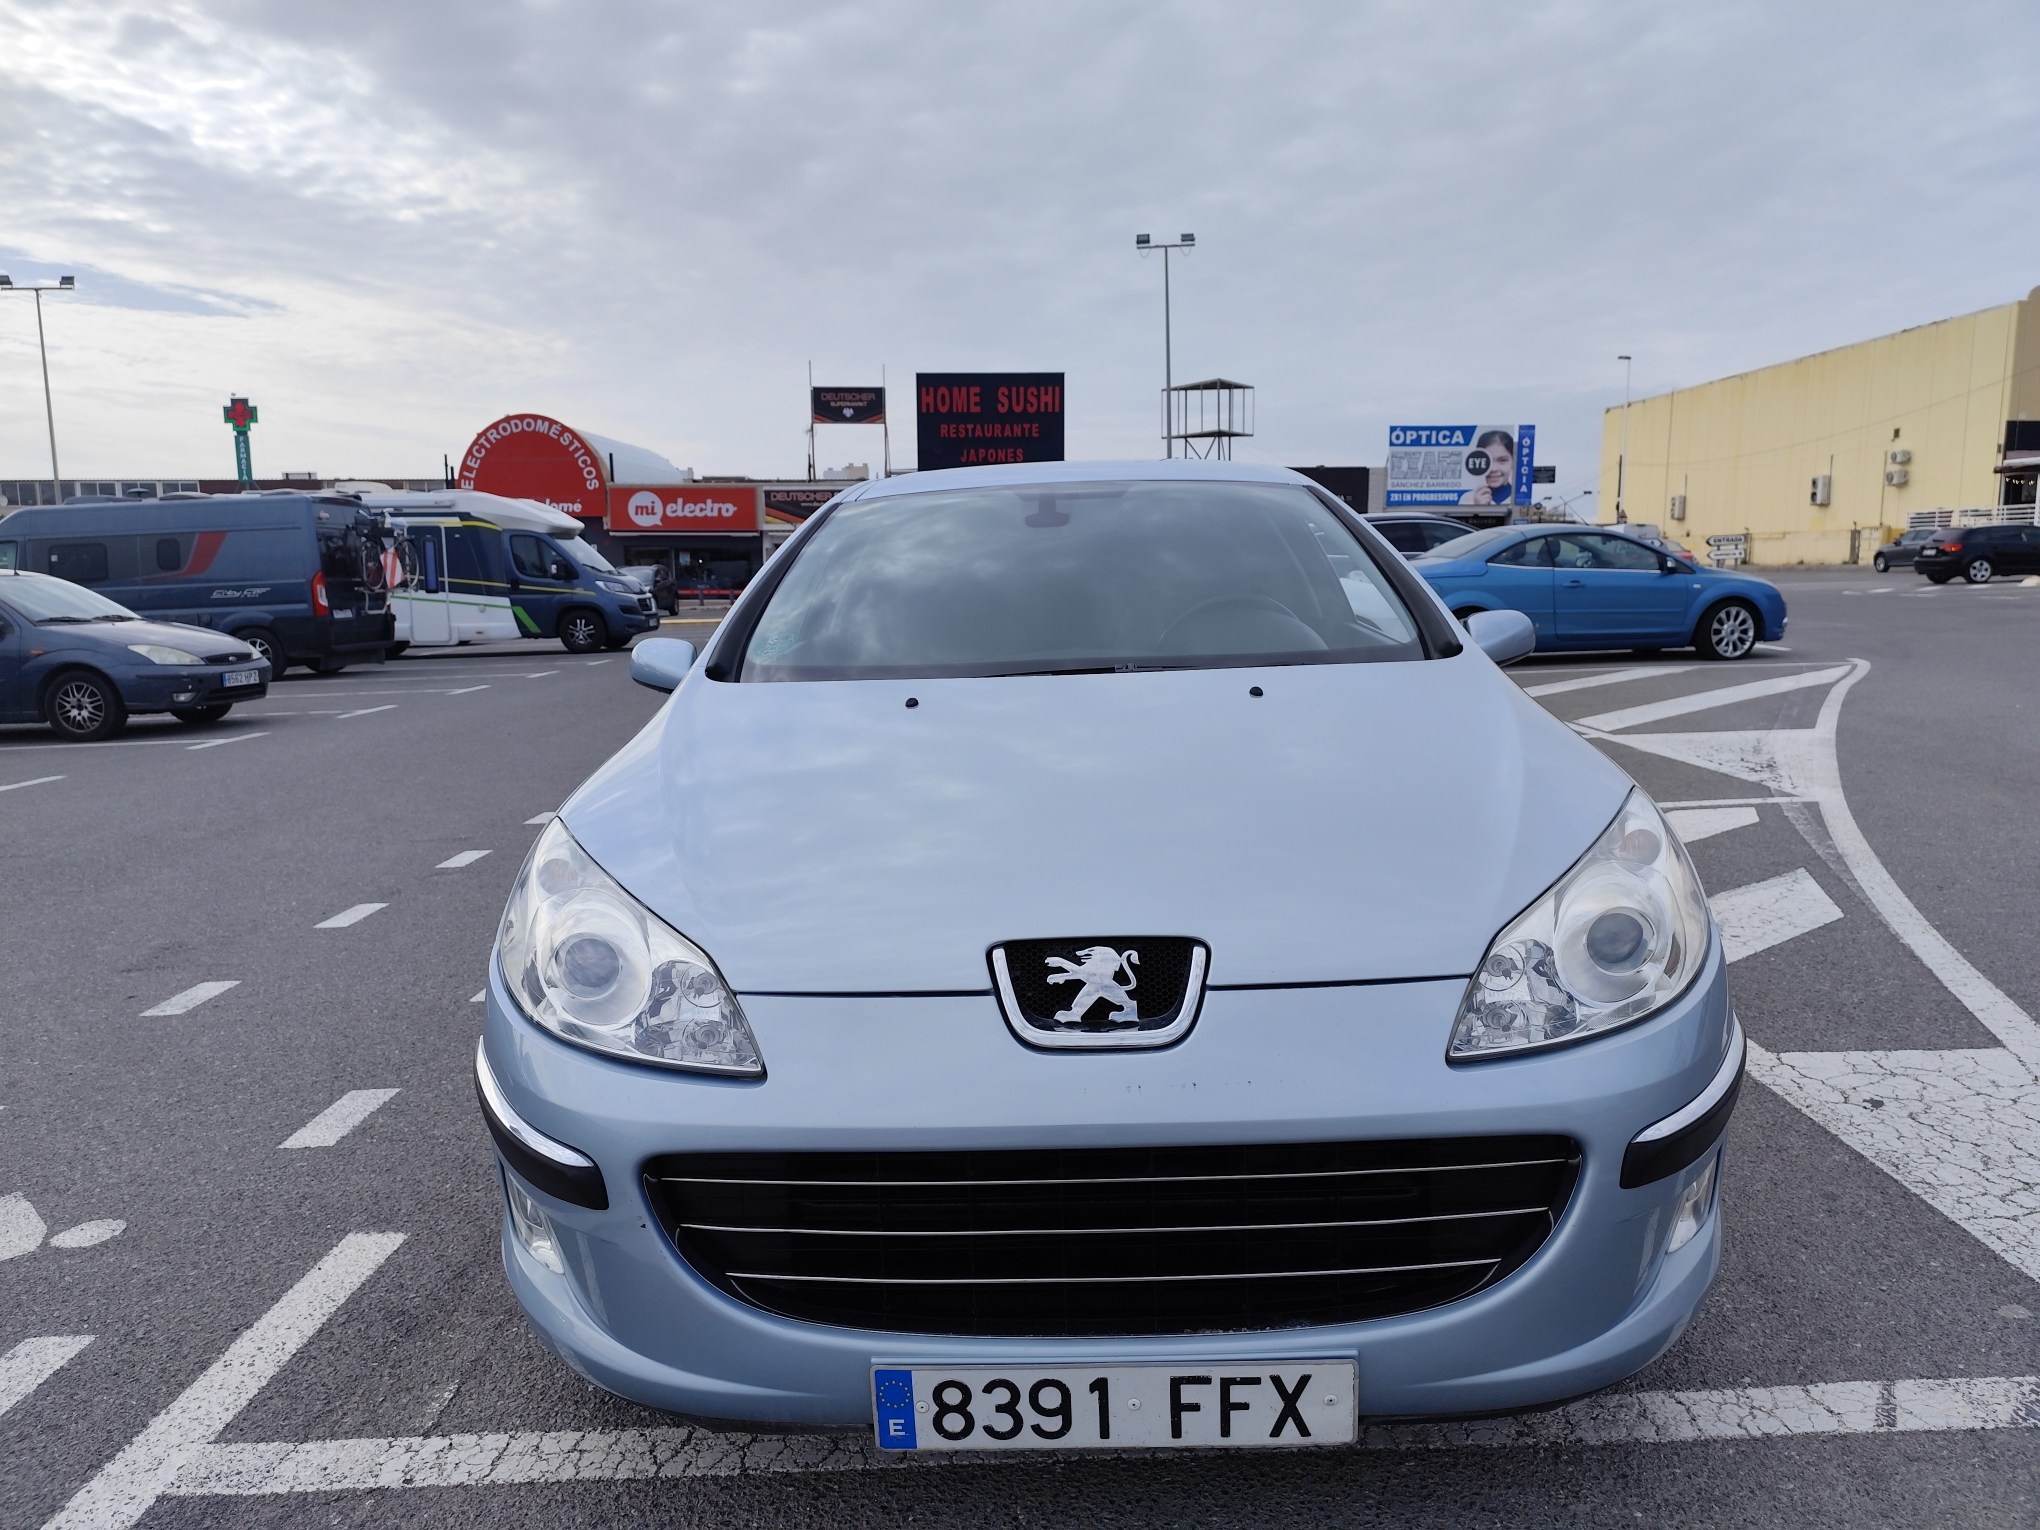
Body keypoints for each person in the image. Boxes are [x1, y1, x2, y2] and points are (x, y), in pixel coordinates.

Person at [1465, 430, 1515, 507]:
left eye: (1502, 460)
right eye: (1487, 461)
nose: (1493, 469)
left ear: (1513, 462)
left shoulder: (1519, 498)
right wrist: (1476, 508)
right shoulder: (1467, 498)